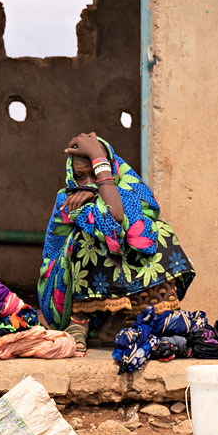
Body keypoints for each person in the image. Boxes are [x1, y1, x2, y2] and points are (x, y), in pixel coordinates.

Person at [37, 132, 193, 347]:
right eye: (81, 177)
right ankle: (79, 320)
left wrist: (98, 180)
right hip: (69, 286)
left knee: (158, 231)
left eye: (96, 173)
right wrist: (100, 186)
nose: (89, 183)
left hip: (122, 279)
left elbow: (130, 218)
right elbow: (114, 218)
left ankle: (135, 315)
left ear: (112, 167)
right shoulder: (68, 199)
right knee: (92, 238)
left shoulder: (130, 187)